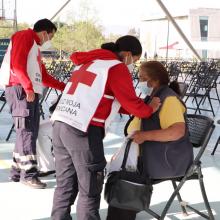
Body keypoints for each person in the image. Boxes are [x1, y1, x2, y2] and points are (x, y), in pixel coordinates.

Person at [50, 35, 161, 220]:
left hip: (60, 124)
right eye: (134, 60)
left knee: (65, 185)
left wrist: (140, 105)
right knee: (90, 189)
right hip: (83, 130)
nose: (133, 65)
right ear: (126, 54)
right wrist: (149, 109)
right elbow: (131, 103)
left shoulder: (89, 63)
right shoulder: (116, 67)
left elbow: (112, 100)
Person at [106, 60, 194, 220]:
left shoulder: (169, 100)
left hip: (167, 160)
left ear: (154, 80)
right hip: (148, 155)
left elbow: (177, 131)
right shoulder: (152, 97)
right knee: (116, 175)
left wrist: (144, 136)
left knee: (124, 180)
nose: (138, 82)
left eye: (141, 78)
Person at [0, 18, 66, 189]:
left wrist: (65, 87)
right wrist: (28, 87)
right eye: (50, 37)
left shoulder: (35, 47)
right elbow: (16, 65)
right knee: (27, 132)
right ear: (45, 32)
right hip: (21, 90)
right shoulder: (25, 36)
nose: (49, 41)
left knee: (28, 131)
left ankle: (17, 170)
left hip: (29, 92)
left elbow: (43, 76)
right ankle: (28, 175)